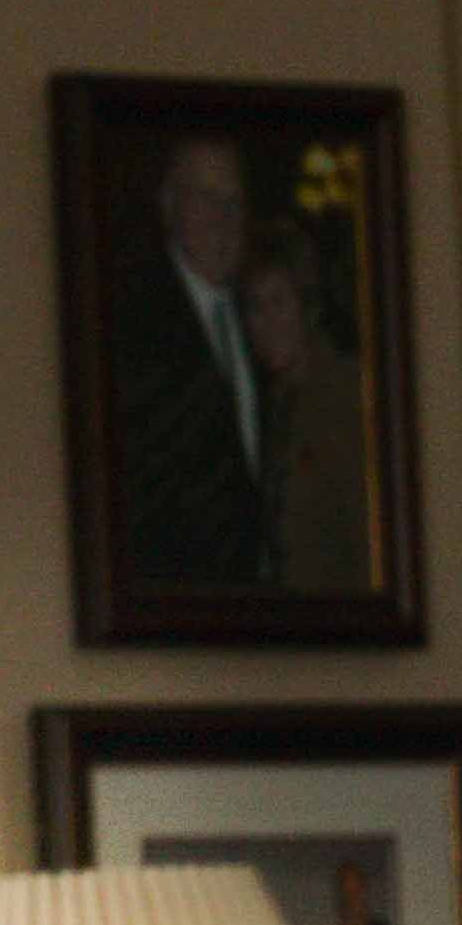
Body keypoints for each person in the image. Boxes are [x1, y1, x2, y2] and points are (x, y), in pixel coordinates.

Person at [102, 124, 287, 598]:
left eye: (234, 201)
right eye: (205, 198)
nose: (223, 217)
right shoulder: (134, 325)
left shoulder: (262, 316)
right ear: (169, 205)